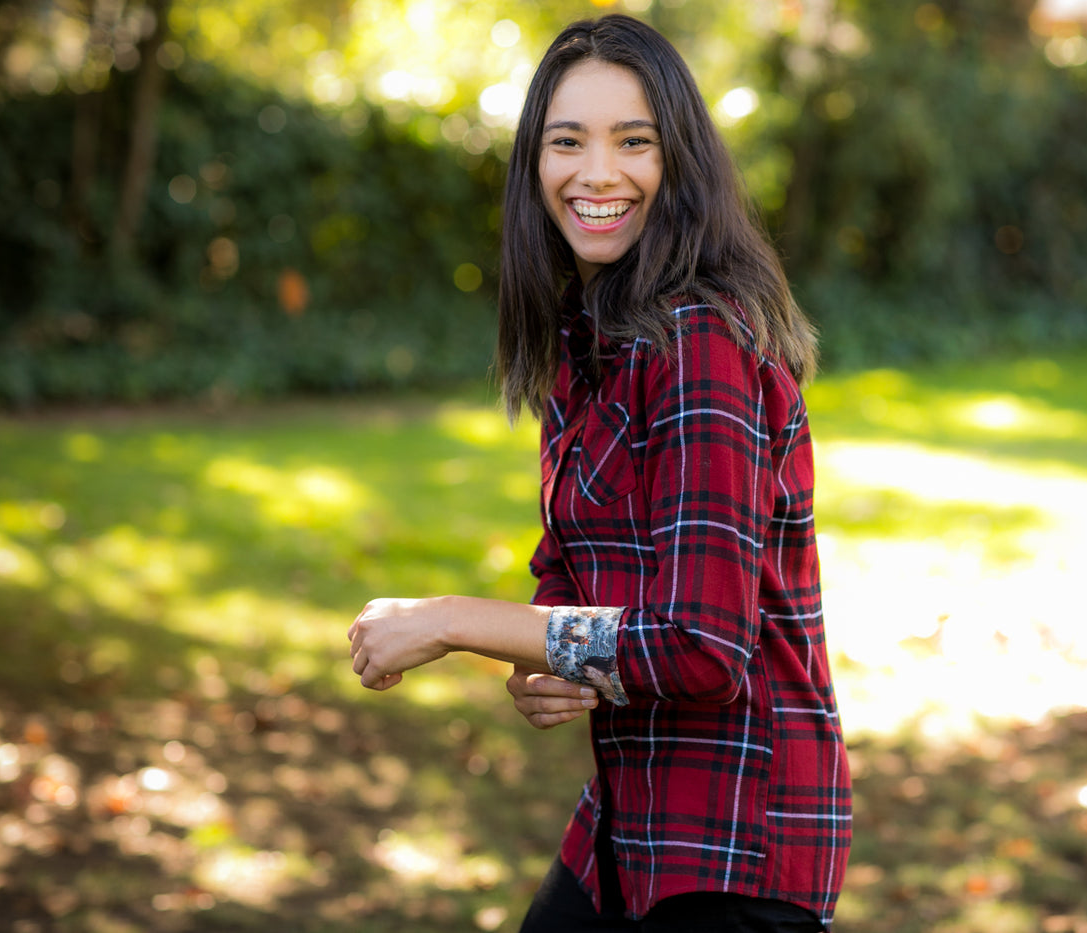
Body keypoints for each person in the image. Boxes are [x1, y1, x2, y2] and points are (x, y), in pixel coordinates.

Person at [347, 13, 851, 932]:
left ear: (679, 163)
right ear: (534, 166)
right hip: (630, 814)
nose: (597, 173)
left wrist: (454, 621)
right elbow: (573, 585)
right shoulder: (586, 349)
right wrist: (545, 664)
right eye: (567, 141)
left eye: (634, 142)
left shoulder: (700, 340)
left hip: (734, 841)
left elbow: (703, 643)